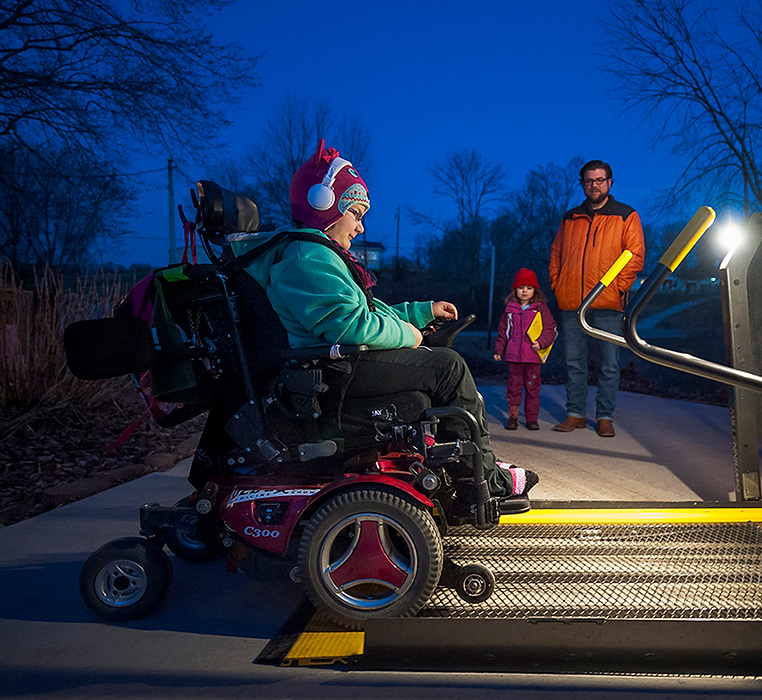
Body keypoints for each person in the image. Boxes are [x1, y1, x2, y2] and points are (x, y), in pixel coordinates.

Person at [236, 139, 537, 500]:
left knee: (437, 363)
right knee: (448, 368)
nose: (361, 228)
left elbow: (368, 311)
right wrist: (411, 336)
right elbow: (350, 327)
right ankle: (480, 478)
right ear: (323, 204)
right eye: (357, 214)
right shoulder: (306, 259)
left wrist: (422, 313)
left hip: (339, 365)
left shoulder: (317, 255)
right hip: (332, 375)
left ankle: (472, 461)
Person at [548, 159, 645, 438]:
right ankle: (575, 414)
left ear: (610, 183)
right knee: (573, 362)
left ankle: (604, 417)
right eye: (589, 181)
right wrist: (558, 285)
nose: (595, 185)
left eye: (600, 180)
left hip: (607, 304)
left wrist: (617, 289)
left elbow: (635, 256)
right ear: (583, 184)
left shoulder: (626, 215)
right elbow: (556, 255)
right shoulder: (570, 218)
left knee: (610, 364)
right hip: (571, 304)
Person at [493, 268, 557, 431]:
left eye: (528, 288)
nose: (524, 291)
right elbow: (503, 332)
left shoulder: (540, 309)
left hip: (533, 355)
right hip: (514, 356)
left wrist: (541, 343)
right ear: (515, 289)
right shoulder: (510, 310)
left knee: (532, 388)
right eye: (521, 288)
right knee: (513, 387)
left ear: (534, 290)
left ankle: (532, 418)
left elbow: (550, 328)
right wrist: (499, 350)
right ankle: (513, 416)